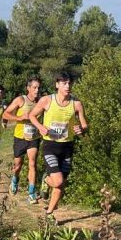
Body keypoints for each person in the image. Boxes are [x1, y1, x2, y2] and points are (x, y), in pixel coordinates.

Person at [29, 72, 88, 223]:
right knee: (58, 181)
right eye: (64, 83)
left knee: (61, 185)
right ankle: (46, 180)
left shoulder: (76, 103)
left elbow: (84, 124)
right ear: (57, 85)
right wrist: (41, 127)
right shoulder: (47, 100)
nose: (67, 86)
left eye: (69, 83)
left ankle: (49, 214)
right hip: (50, 146)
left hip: (67, 147)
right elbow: (31, 115)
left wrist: (81, 129)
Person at [3, 76, 42, 203]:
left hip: (34, 137)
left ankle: (31, 193)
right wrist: (19, 118)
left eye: (38, 88)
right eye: (34, 87)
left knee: (32, 163)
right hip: (20, 137)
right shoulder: (21, 100)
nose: (37, 90)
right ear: (28, 88)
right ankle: (15, 179)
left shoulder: (41, 102)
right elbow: (5, 114)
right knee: (18, 165)